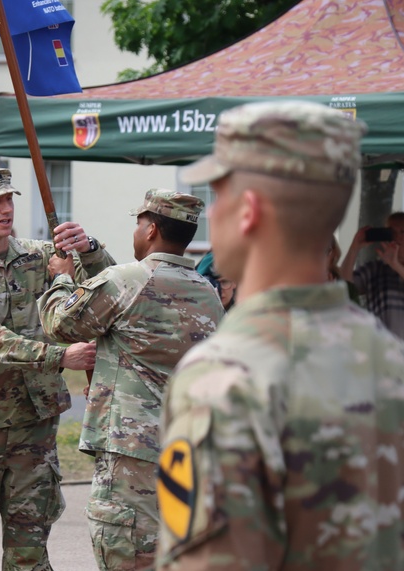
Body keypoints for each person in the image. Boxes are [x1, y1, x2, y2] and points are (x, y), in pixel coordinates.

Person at [156, 101, 404, 570]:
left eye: (218, 194)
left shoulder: (224, 378)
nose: (214, 212)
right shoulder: (388, 355)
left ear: (247, 211)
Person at [39, 189, 224, 570]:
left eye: (138, 223)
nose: (136, 231)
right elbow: (124, 296)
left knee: (127, 553)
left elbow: (60, 323)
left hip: (130, 455)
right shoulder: (207, 292)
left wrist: (60, 278)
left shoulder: (129, 280)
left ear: (151, 228)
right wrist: (91, 251)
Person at [0, 164, 105, 571]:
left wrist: (89, 247)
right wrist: (59, 356)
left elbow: (106, 287)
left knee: (29, 555)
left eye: (9, 198)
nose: (5, 207)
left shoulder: (41, 257)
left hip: (34, 427)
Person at [339, 213, 404, 338]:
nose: (397, 237)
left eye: (402, 231)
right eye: (391, 232)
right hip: (381, 349)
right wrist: (354, 248)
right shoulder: (375, 269)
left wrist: (395, 265)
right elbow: (343, 286)